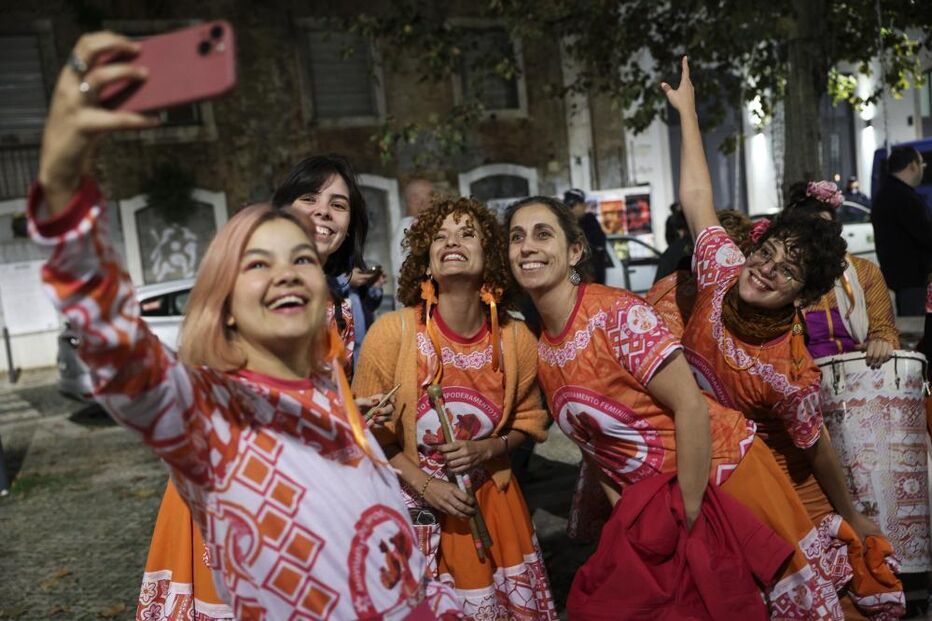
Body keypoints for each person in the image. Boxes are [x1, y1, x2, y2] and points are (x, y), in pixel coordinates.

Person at [35, 32, 462, 620]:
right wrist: (62, 188)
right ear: (227, 301)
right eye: (260, 263)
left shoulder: (329, 387)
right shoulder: (210, 412)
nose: (288, 273)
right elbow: (113, 342)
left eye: (303, 260)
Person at [506, 194, 857, 619]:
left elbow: (690, 407)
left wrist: (688, 520)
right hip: (661, 508)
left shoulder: (616, 314)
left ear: (575, 250)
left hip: (722, 482)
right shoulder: (542, 348)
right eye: (516, 237)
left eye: (543, 234)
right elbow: (599, 450)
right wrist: (632, 523)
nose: (527, 247)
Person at [664, 57, 903, 617]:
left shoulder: (788, 374)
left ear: (800, 297)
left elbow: (817, 450)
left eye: (785, 271)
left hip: (778, 488)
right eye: (765, 253)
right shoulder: (722, 269)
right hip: (705, 468)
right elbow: (698, 201)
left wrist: (850, 515)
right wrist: (689, 114)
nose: (765, 269)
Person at [138, 154, 382, 619]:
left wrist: (348, 412)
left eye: (338, 204)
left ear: (349, 226)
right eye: (309, 198)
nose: (324, 212)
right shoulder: (248, 286)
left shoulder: (342, 309)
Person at [353, 196, 557, 619]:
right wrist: (427, 486)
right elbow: (365, 433)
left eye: (467, 234)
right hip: (413, 514)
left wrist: (488, 449)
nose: (452, 241)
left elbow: (529, 421)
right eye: (440, 236)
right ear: (426, 263)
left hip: (494, 512)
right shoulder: (391, 333)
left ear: (489, 259)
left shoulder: (516, 340)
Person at [871, 146, 932, 316]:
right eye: (921, 164)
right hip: (914, 282)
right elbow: (925, 234)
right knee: (919, 330)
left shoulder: (887, 194)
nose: (923, 168)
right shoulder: (902, 197)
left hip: (904, 281)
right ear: (912, 165)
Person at [392, 178, 435, 289]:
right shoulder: (410, 228)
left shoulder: (408, 226)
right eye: (431, 195)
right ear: (415, 200)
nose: (434, 200)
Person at [564, 188, 608, 284]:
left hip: (590, 281)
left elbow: (595, 248)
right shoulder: (566, 226)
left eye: (572, 205)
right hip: (575, 282)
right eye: (567, 206)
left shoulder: (590, 222)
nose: (570, 209)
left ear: (583, 205)